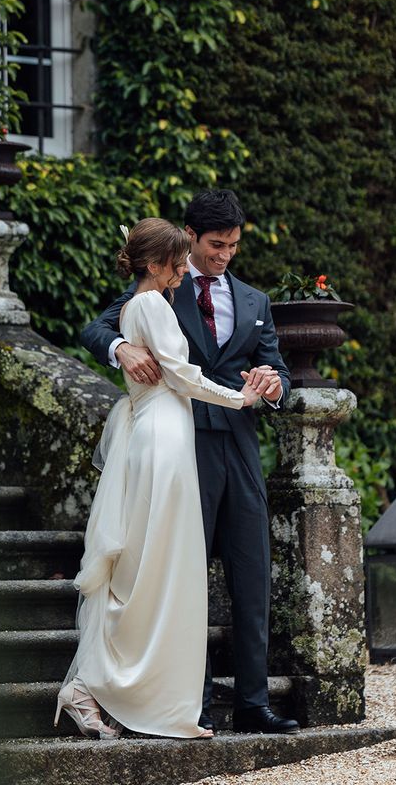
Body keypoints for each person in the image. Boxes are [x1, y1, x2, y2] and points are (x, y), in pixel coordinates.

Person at [82, 190, 299, 735]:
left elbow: (276, 366)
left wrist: (273, 384)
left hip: (242, 446)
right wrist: (120, 349)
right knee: (180, 576)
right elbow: (99, 327)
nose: (225, 256)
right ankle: (190, 702)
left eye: (233, 247)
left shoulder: (255, 301)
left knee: (253, 573)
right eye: (216, 245)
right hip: (179, 448)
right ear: (192, 237)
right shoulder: (163, 285)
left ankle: (253, 702)